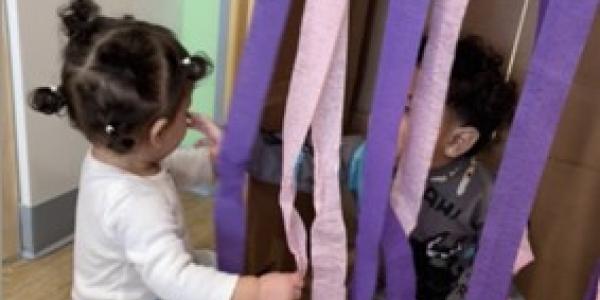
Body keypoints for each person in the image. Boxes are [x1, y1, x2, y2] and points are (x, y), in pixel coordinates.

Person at [30, 1, 302, 299]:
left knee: (213, 268)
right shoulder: (133, 204)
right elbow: (175, 282)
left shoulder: (116, 154)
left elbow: (169, 168)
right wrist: (258, 290)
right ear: (158, 132)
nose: (189, 117)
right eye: (186, 113)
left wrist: (211, 161)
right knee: (220, 281)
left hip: (136, 281)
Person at [248, 36, 531, 299]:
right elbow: (306, 162)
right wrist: (241, 149)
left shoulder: (489, 196)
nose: (384, 112)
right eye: (387, 98)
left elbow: (496, 270)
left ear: (457, 141)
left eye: (407, 108)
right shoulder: (364, 158)